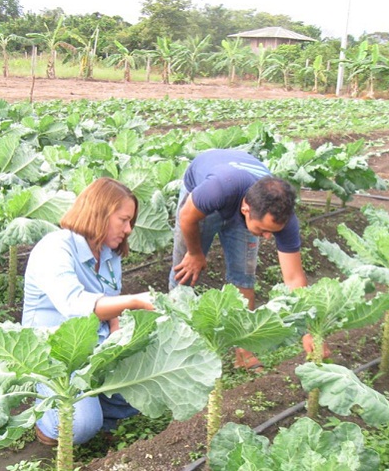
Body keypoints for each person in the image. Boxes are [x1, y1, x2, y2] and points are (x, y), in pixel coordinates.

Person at [22, 177, 154, 446]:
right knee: (79, 426)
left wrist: (120, 345)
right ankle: (48, 415)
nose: (128, 229)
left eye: (131, 222)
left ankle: (94, 405)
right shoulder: (55, 248)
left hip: (96, 345)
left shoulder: (108, 253)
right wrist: (136, 301)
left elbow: (110, 301)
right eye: (123, 220)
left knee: (146, 383)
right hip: (56, 353)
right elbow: (74, 305)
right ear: (100, 213)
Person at [169, 148, 309, 372]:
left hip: (242, 200)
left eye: (272, 232)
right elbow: (187, 217)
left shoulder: (282, 217)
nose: (267, 237)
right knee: (184, 272)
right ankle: (174, 348)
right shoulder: (216, 189)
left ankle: (243, 350)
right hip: (202, 199)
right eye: (263, 230)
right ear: (246, 209)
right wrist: (195, 253)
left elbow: (293, 278)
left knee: (244, 275)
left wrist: (308, 329)